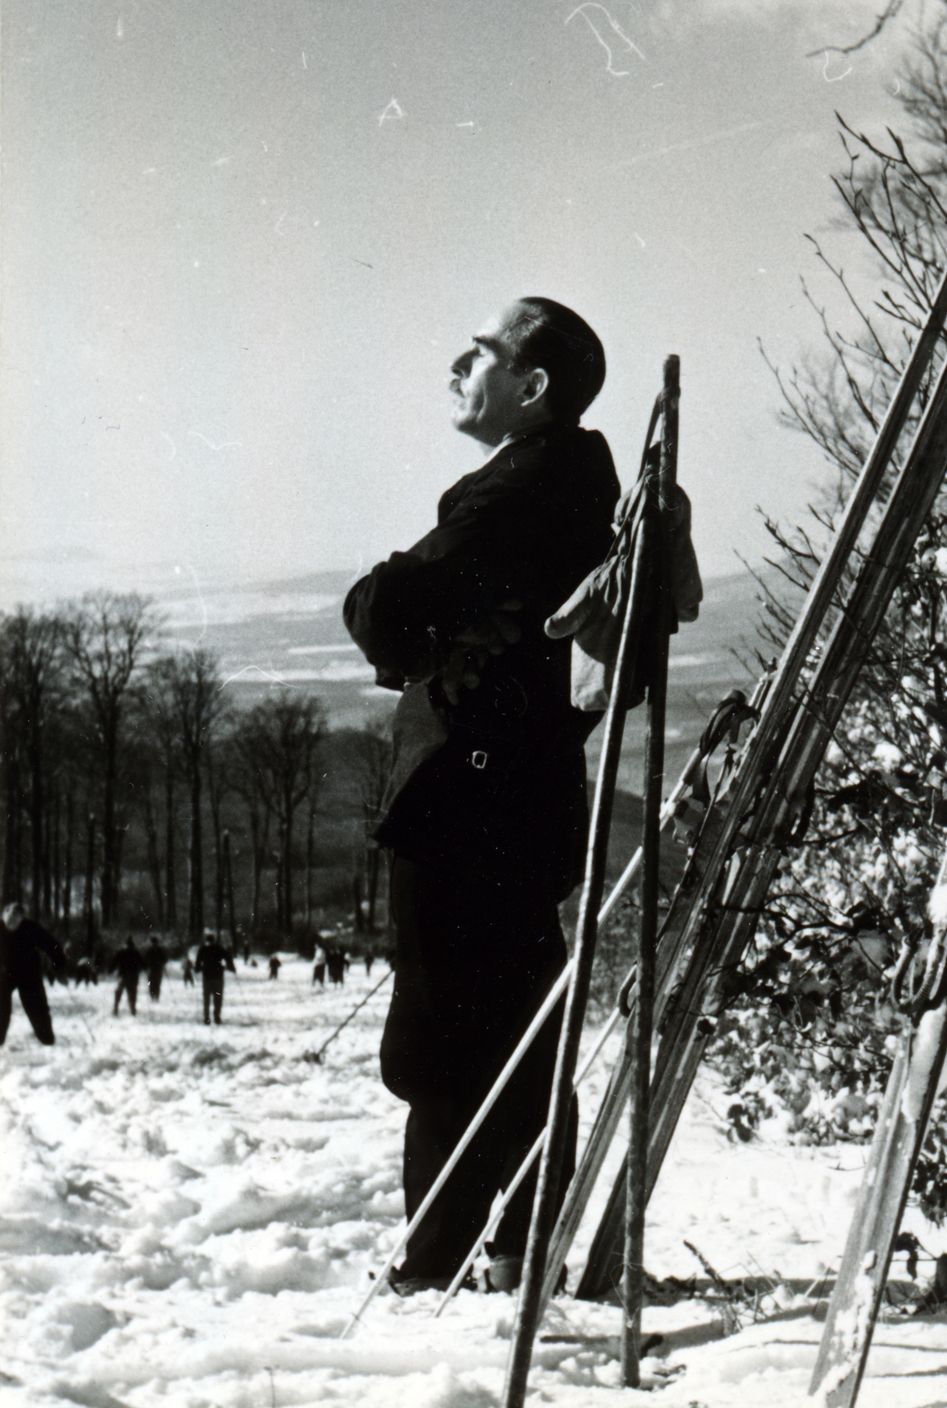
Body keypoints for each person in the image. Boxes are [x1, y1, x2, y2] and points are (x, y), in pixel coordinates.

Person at [344, 296, 618, 1294]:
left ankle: (441, 1262)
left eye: (483, 352)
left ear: (532, 387)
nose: (458, 364)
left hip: (465, 804)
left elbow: (387, 610)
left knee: (442, 1044)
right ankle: (522, 1246)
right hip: (517, 798)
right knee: (515, 1028)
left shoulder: (514, 493)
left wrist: (397, 606)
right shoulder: (570, 481)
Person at [0, 902, 68, 1046]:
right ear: (4, 916)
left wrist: (59, 967)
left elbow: (52, 945)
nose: (11, 923)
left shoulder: (30, 928)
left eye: (15, 920)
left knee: (37, 1007)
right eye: (9, 920)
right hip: (4, 972)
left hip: (28, 972)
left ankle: (47, 1040)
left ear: (21, 918)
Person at [194, 931, 235, 1025]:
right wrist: (231, 968)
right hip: (218, 975)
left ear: (206, 940)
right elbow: (228, 957)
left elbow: (198, 961)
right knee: (218, 996)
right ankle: (217, 1016)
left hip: (207, 975)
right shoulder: (219, 948)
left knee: (206, 997)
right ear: (214, 940)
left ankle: (207, 1017)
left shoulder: (203, 949)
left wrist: (197, 969)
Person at [112, 936, 145, 1017]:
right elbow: (143, 963)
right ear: (133, 945)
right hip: (134, 975)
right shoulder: (136, 953)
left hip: (123, 975)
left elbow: (115, 961)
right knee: (132, 992)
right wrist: (145, 968)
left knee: (119, 991)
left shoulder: (122, 952)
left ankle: (116, 1006)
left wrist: (110, 970)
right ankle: (132, 1008)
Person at [143, 936, 168, 1002]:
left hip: (157, 969)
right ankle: (153, 996)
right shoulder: (152, 950)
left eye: (155, 943)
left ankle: (156, 996)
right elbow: (145, 959)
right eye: (154, 943)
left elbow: (165, 959)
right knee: (152, 983)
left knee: (156, 983)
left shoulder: (156, 950)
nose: (154, 944)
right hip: (153, 969)